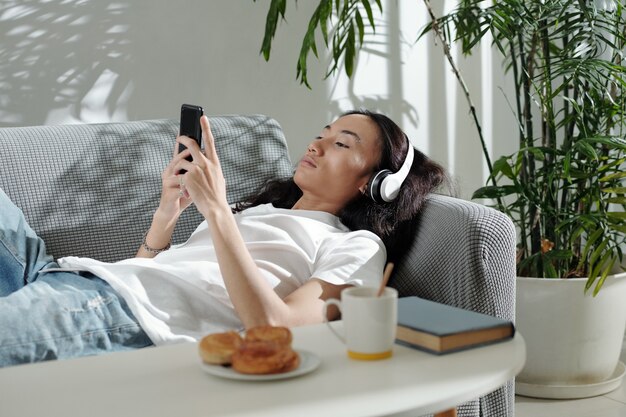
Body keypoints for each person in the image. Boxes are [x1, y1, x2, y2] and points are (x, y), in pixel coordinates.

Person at [0, 109, 447, 367]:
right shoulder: (259, 212)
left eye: (342, 144)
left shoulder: (356, 246)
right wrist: (166, 216)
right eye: (321, 135)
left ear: (376, 183)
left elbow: (279, 330)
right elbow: (144, 273)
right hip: (71, 277)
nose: (316, 145)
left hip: (110, 312)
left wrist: (216, 209)